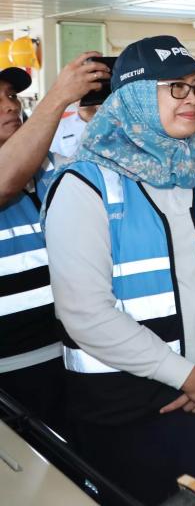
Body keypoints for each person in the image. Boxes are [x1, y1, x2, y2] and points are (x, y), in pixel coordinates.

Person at [43, 37, 195, 504]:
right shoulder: (85, 183)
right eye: (175, 88)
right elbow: (84, 312)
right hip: (124, 409)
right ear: (135, 98)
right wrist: (186, 375)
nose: (193, 99)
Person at [0, 54, 108, 431]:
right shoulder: (14, 172)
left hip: (70, 351)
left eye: (11, 95)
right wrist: (58, 97)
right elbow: (4, 180)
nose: (11, 104)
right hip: (10, 368)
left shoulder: (48, 165)